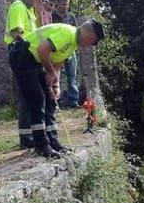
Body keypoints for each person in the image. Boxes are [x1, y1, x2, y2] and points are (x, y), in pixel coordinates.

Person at [8, 21, 104, 157]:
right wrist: (49, 72)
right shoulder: (68, 34)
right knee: (37, 98)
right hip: (23, 56)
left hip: (35, 60)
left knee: (50, 99)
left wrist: (55, 85)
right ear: (90, 35)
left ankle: (53, 141)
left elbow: (57, 63)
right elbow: (42, 49)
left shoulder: (73, 43)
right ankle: (41, 145)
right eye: (94, 42)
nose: (92, 45)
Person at [5, 0, 49, 148]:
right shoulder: (18, 6)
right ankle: (26, 137)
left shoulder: (30, 10)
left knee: (30, 95)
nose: (42, 2)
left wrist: (38, 13)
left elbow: (39, 33)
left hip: (30, 55)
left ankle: (29, 134)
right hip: (21, 53)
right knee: (29, 95)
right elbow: (17, 33)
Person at [51, 0, 79, 108]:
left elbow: (77, 33)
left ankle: (73, 100)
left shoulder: (71, 17)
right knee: (57, 77)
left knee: (72, 76)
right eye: (63, 4)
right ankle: (59, 100)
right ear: (57, 4)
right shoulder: (52, 16)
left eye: (67, 4)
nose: (66, 6)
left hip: (70, 51)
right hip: (57, 51)